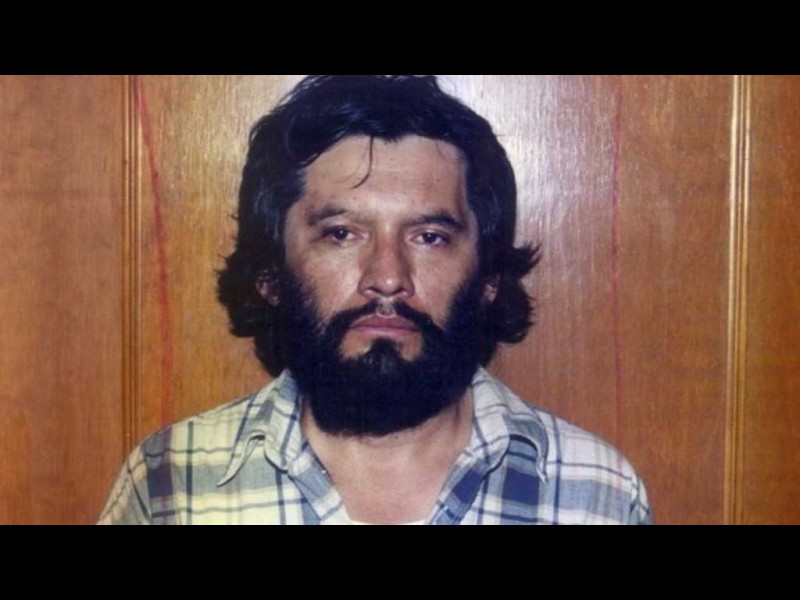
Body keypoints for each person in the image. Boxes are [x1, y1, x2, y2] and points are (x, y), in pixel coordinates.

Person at [99, 75, 651, 525]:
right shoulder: (172, 484)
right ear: (270, 274)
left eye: (429, 237)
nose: (388, 278)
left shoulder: (593, 492)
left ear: (488, 277)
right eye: (342, 234)